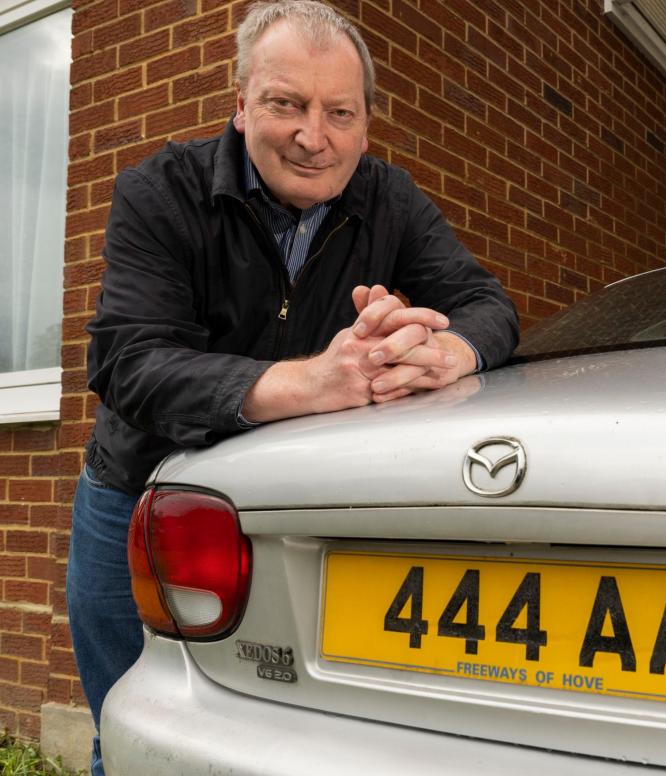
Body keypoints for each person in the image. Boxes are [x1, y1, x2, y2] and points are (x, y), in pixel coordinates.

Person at [65, 2, 519, 773]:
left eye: (339, 112)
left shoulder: (391, 199)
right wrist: (310, 382)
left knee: (287, 740)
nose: (315, 137)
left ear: (366, 126)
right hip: (141, 505)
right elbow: (127, 361)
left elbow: (490, 306)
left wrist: (445, 352)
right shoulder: (158, 192)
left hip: (296, 508)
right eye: (287, 104)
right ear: (241, 104)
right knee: (135, 734)